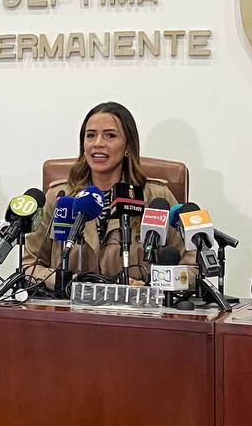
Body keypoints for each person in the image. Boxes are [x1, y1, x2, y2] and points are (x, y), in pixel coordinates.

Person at [22, 101, 192, 287]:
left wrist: (150, 286)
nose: (98, 143)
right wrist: (67, 282)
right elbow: (29, 265)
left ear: (128, 146)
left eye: (110, 135)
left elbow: (191, 268)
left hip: (135, 304)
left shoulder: (157, 197)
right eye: (90, 135)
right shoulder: (60, 196)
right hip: (68, 303)